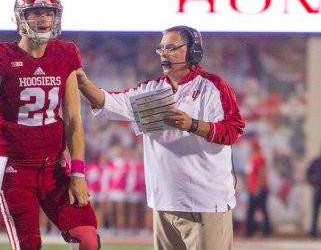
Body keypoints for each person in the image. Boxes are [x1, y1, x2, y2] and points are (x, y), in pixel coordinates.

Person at [76, 25, 245, 250]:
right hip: (164, 201)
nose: (164, 53)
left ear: (193, 51)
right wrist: (81, 81)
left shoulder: (213, 86)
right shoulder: (151, 88)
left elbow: (232, 130)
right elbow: (109, 102)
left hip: (205, 203)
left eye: (172, 48)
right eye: (162, 48)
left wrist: (192, 125)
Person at [0, 0, 99, 250]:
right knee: (29, 246)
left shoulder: (65, 54)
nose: (44, 19)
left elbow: (73, 118)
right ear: (20, 17)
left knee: (88, 239)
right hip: (15, 171)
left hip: (55, 168)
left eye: (48, 13)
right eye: (36, 12)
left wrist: (79, 173)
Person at [244, 140, 271, 237]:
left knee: (262, 210)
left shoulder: (260, 158)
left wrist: (258, 187)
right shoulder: (252, 158)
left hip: (259, 189)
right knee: (251, 211)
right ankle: (249, 232)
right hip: (252, 188)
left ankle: (265, 232)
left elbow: (261, 173)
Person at [306, 145, 321, 238]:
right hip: (317, 191)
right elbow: (308, 174)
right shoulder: (315, 162)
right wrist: (313, 184)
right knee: (314, 213)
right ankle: (313, 233)